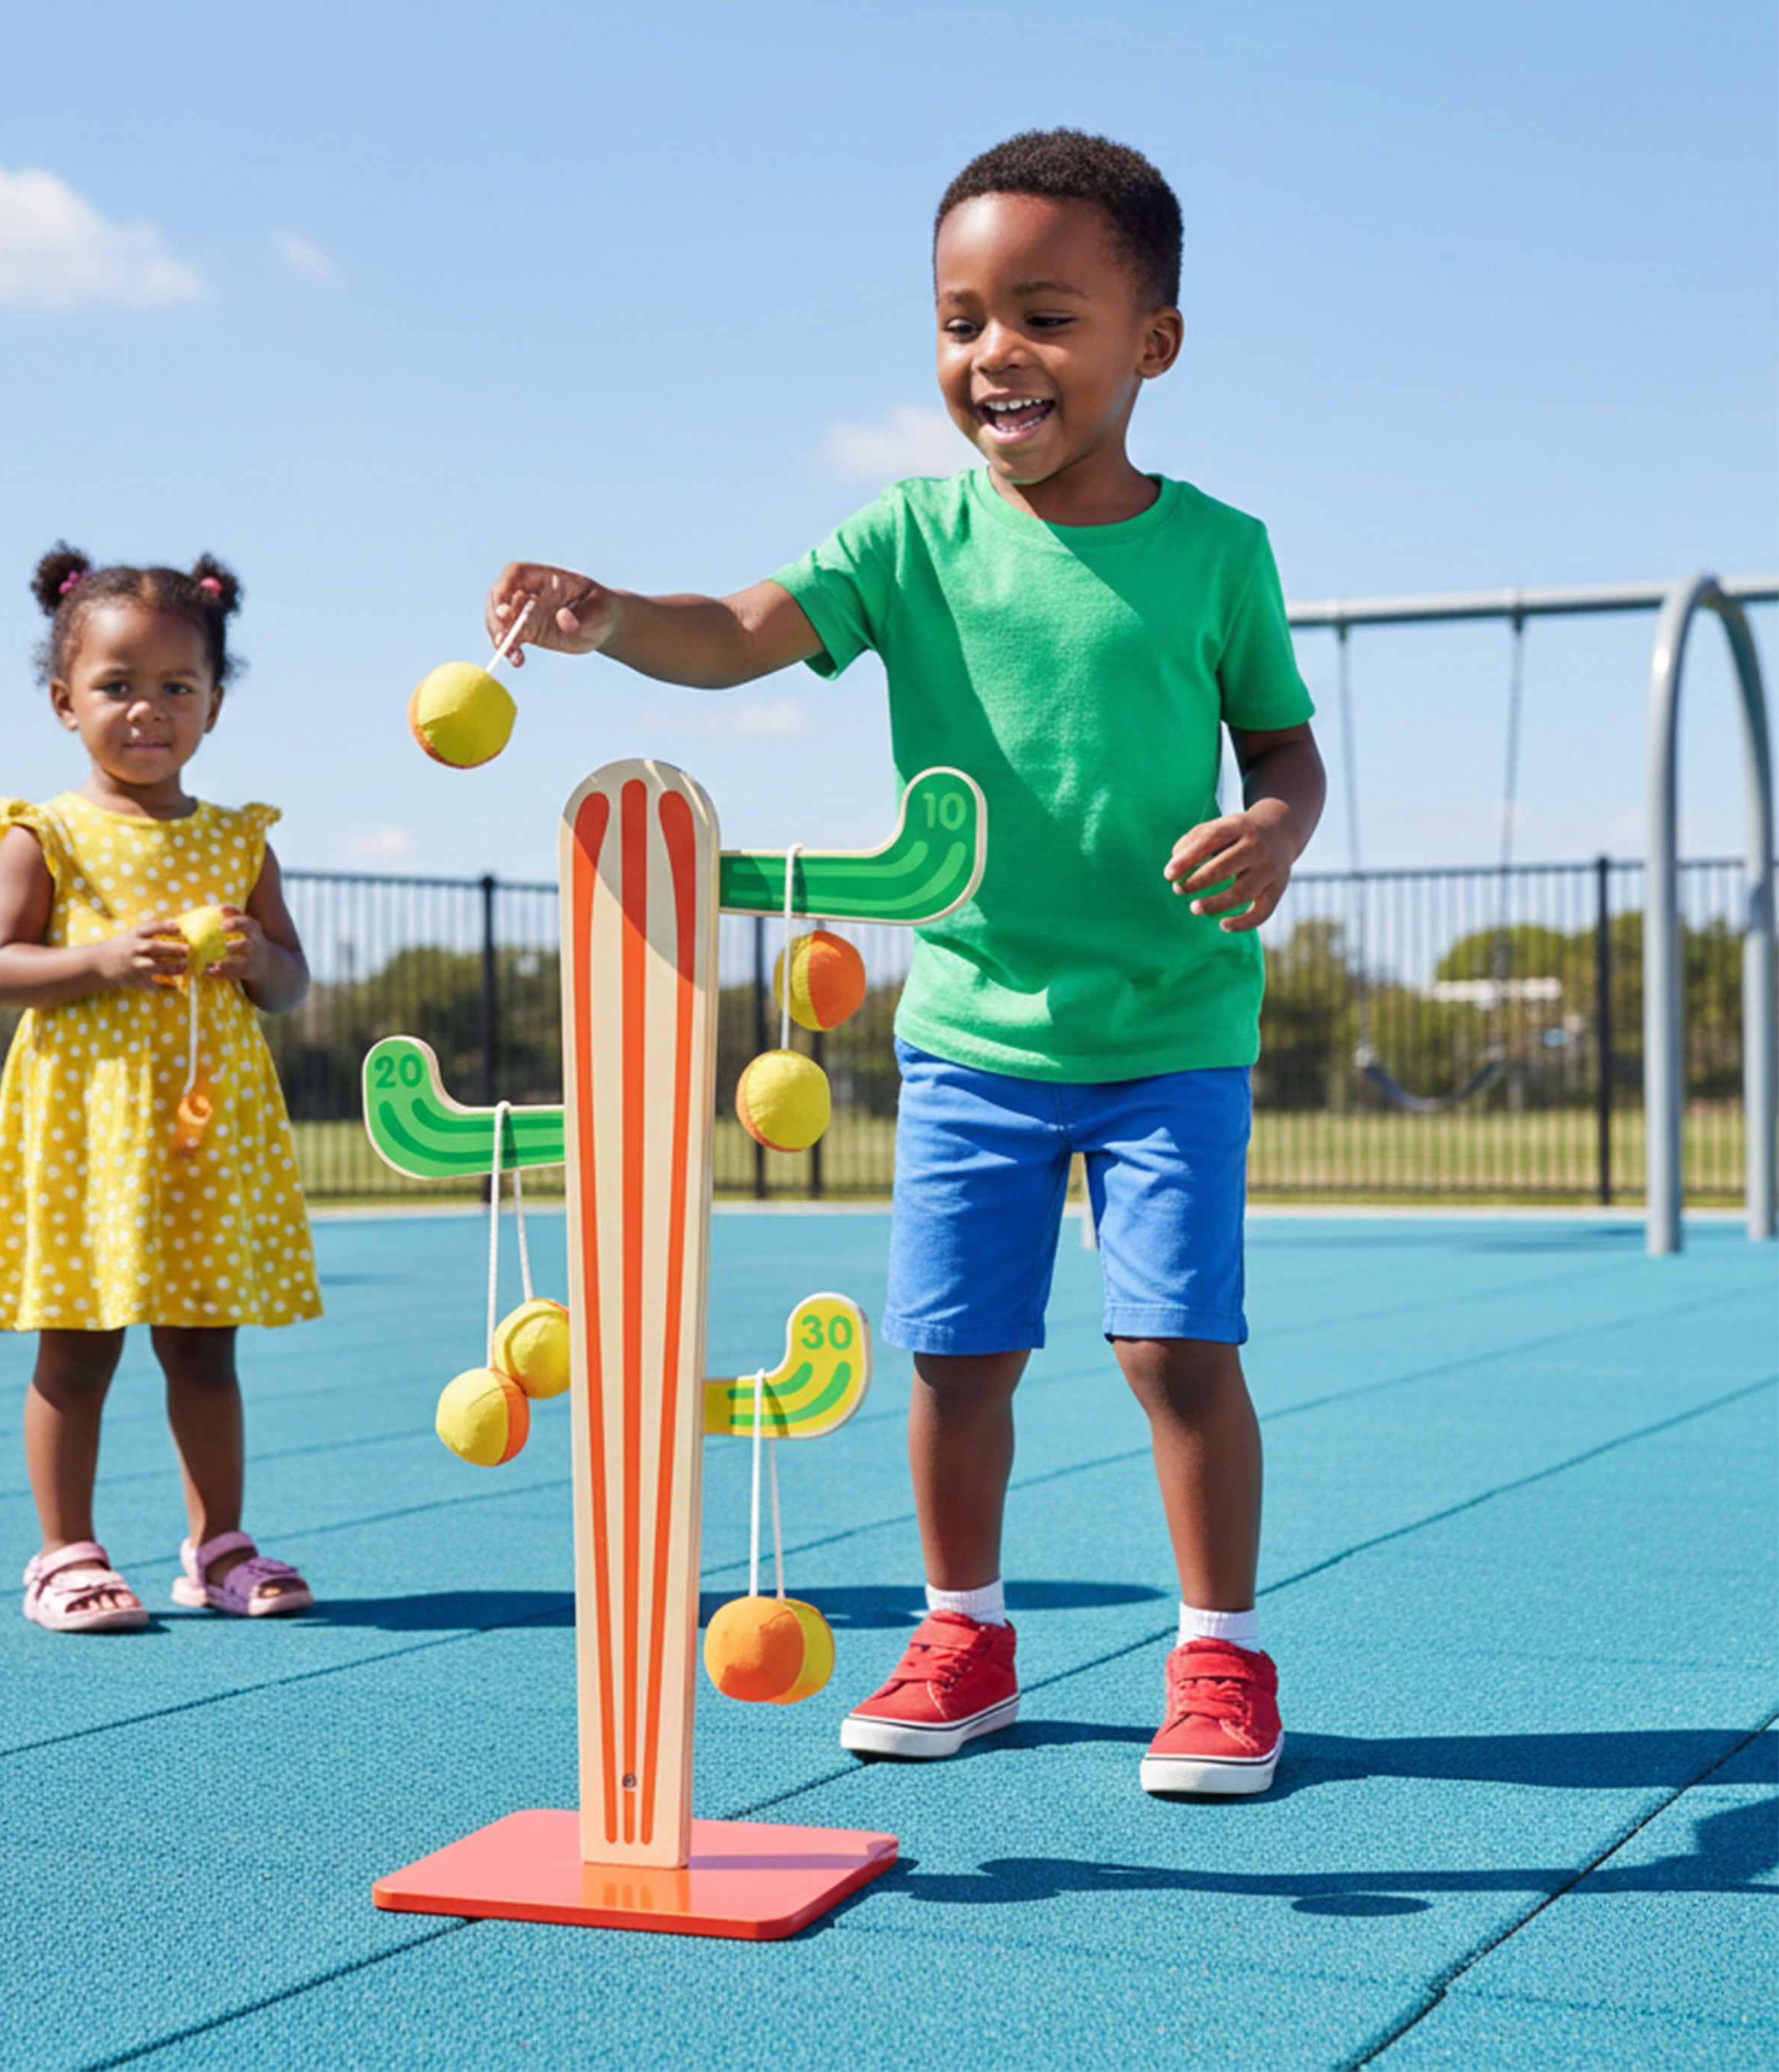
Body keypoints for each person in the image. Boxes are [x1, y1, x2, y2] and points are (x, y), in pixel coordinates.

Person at [484, 131, 1323, 1796]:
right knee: (957, 1354)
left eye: (1045, 317)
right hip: (968, 1031)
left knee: (1175, 1352)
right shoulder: (910, 538)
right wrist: (611, 617)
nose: (996, 352)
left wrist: (1278, 829)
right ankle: (964, 1633)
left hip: (1170, 1024)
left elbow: (1283, 749)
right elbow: (739, 632)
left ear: (1153, 341)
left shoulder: (1221, 551)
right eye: (960, 321)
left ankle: (1222, 1655)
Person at [0, 545, 322, 1633]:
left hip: (202, 1143)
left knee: (204, 1347)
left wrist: (259, 959)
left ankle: (219, 1547)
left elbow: (292, 985)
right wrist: (102, 960)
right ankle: (64, 1553)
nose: (147, 709)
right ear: (64, 700)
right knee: (77, 1348)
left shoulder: (240, 842)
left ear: (214, 703)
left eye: (176, 685)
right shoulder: (47, 836)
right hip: (90, 1137)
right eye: (116, 684)